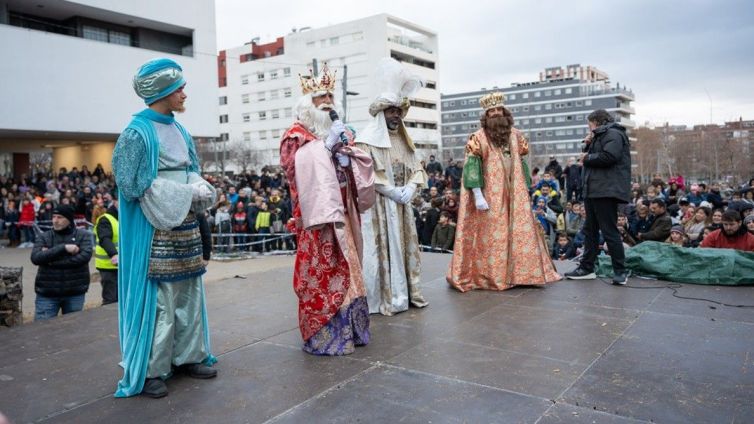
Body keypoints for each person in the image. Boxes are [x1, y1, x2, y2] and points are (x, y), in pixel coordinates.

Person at [112, 58, 218, 398]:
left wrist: (197, 184)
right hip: (155, 228)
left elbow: (190, 167)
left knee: (188, 289)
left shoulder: (180, 129)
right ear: (164, 92)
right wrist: (186, 192)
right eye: (180, 88)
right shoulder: (135, 133)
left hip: (184, 222)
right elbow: (131, 186)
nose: (185, 94)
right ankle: (152, 369)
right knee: (161, 297)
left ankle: (188, 355)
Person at [279, 62, 376, 355]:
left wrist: (346, 156)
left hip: (344, 214)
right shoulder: (295, 136)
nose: (327, 102)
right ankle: (326, 337)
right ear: (307, 103)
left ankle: (353, 331)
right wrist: (325, 148)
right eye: (320, 97)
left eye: (330, 96)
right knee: (324, 273)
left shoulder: (339, 131)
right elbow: (292, 170)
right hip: (317, 220)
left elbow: (349, 171)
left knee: (351, 269)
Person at [447, 92, 560, 291]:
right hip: (491, 194)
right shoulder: (478, 138)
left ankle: (520, 274)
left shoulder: (516, 135)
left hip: (515, 195)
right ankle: (492, 276)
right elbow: (472, 167)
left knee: (518, 232)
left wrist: (524, 186)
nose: (496, 114)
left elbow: (522, 163)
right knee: (494, 234)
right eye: (492, 111)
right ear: (486, 115)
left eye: (499, 110)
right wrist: (478, 195)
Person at [565, 109, 631, 285]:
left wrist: (587, 157)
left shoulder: (614, 133)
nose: (589, 128)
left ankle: (620, 271)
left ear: (596, 122)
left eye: (589, 124)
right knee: (590, 230)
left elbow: (610, 156)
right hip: (594, 190)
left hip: (606, 190)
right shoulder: (600, 136)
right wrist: (588, 145)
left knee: (609, 231)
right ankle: (587, 267)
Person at [30, 204, 93, 320]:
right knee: (41, 331)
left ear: (69, 219)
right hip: (47, 293)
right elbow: (36, 258)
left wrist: (49, 260)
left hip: (75, 292)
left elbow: (84, 258)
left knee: (72, 331)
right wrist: (63, 248)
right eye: (54, 217)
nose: (55, 221)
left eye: (60, 217)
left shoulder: (84, 236)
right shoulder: (44, 236)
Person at [94, 198, 119, 304]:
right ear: (115, 202)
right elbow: (104, 238)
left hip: (122, 265)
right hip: (109, 266)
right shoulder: (105, 219)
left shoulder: (123, 218)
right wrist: (113, 254)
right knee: (111, 299)